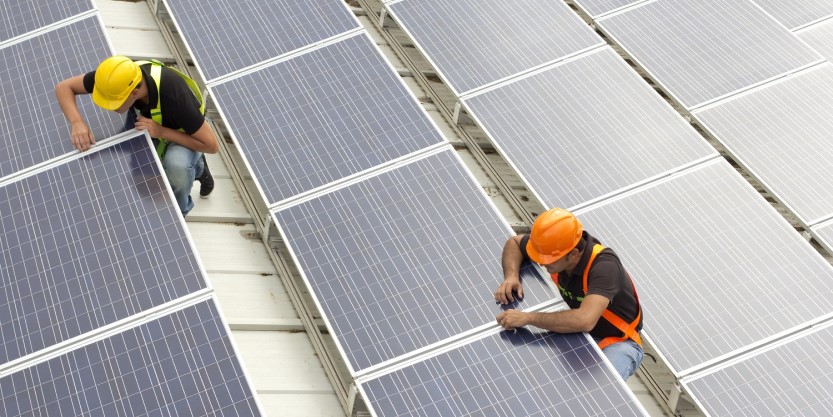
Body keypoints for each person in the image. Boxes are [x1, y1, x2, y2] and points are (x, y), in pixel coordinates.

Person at [56, 55, 218, 215]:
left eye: (114, 103)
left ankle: (181, 208)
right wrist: (77, 122)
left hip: (186, 133)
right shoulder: (117, 78)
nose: (110, 108)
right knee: (140, 170)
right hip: (152, 122)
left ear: (134, 93)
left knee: (176, 166)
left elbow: (212, 145)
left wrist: (161, 132)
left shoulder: (175, 97)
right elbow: (63, 87)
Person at [495, 208, 644, 380]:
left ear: (573, 254)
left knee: (603, 391)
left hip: (617, 343)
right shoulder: (555, 248)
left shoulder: (604, 267)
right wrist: (511, 276)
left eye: (548, 260)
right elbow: (514, 243)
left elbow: (584, 320)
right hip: (575, 333)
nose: (542, 264)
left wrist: (528, 318)